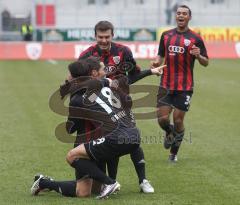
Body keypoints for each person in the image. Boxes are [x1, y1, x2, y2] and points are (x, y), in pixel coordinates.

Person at [30, 57, 164, 198]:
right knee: (85, 191)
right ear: (93, 74)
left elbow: (70, 129)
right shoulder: (106, 84)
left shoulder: (79, 97)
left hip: (103, 140)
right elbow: (122, 84)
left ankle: (110, 182)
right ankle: (44, 182)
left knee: (74, 160)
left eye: (69, 74)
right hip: (102, 139)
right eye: (102, 69)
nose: (105, 71)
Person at [78, 20, 162, 193]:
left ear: (112, 35)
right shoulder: (86, 55)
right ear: (95, 36)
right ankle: (110, 181)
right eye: (100, 37)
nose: (103, 40)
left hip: (121, 103)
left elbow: (133, 75)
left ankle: (143, 180)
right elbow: (79, 80)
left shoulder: (123, 52)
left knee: (131, 138)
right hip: (99, 106)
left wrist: (150, 71)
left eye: (106, 36)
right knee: (106, 141)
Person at [151, 5, 209, 162]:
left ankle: (173, 154)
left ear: (189, 17)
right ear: (175, 16)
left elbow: (206, 62)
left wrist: (199, 56)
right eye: (178, 13)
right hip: (166, 84)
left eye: (184, 14)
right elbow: (160, 55)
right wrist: (156, 63)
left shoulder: (196, 38)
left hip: (185, 86)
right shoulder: (166, 35)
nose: (181, 16)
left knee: (178, 120)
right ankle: (169, 132)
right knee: (162, 119)